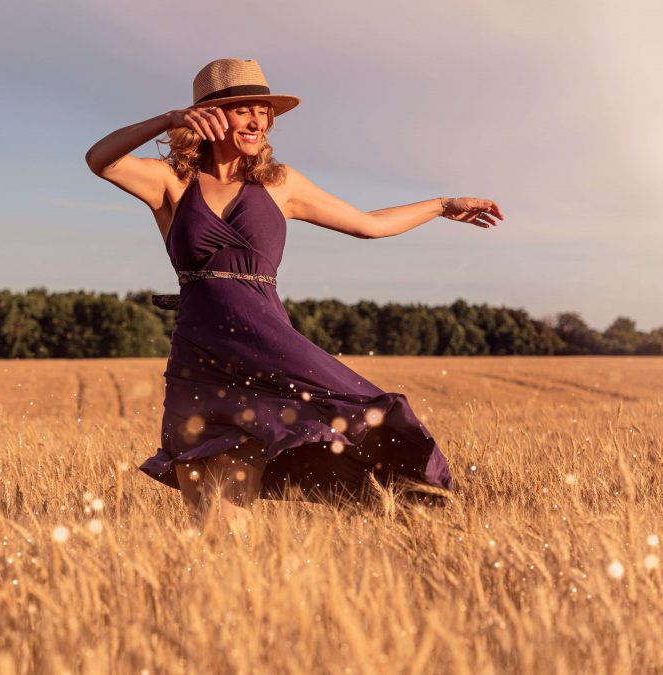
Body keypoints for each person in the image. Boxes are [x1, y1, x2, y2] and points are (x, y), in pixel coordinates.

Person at [85, 58, 503, 535]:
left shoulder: (280, 184)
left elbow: (368, 225)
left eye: (263, 111)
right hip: (201, 359)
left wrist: (442, 205)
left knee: (363, 415)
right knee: (214, 528)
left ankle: (416, 514)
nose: (257, 121)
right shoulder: (172, 182)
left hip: (270, 351)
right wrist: (165, 120)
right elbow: (101, 160)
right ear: (209, 116)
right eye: (243, 110)